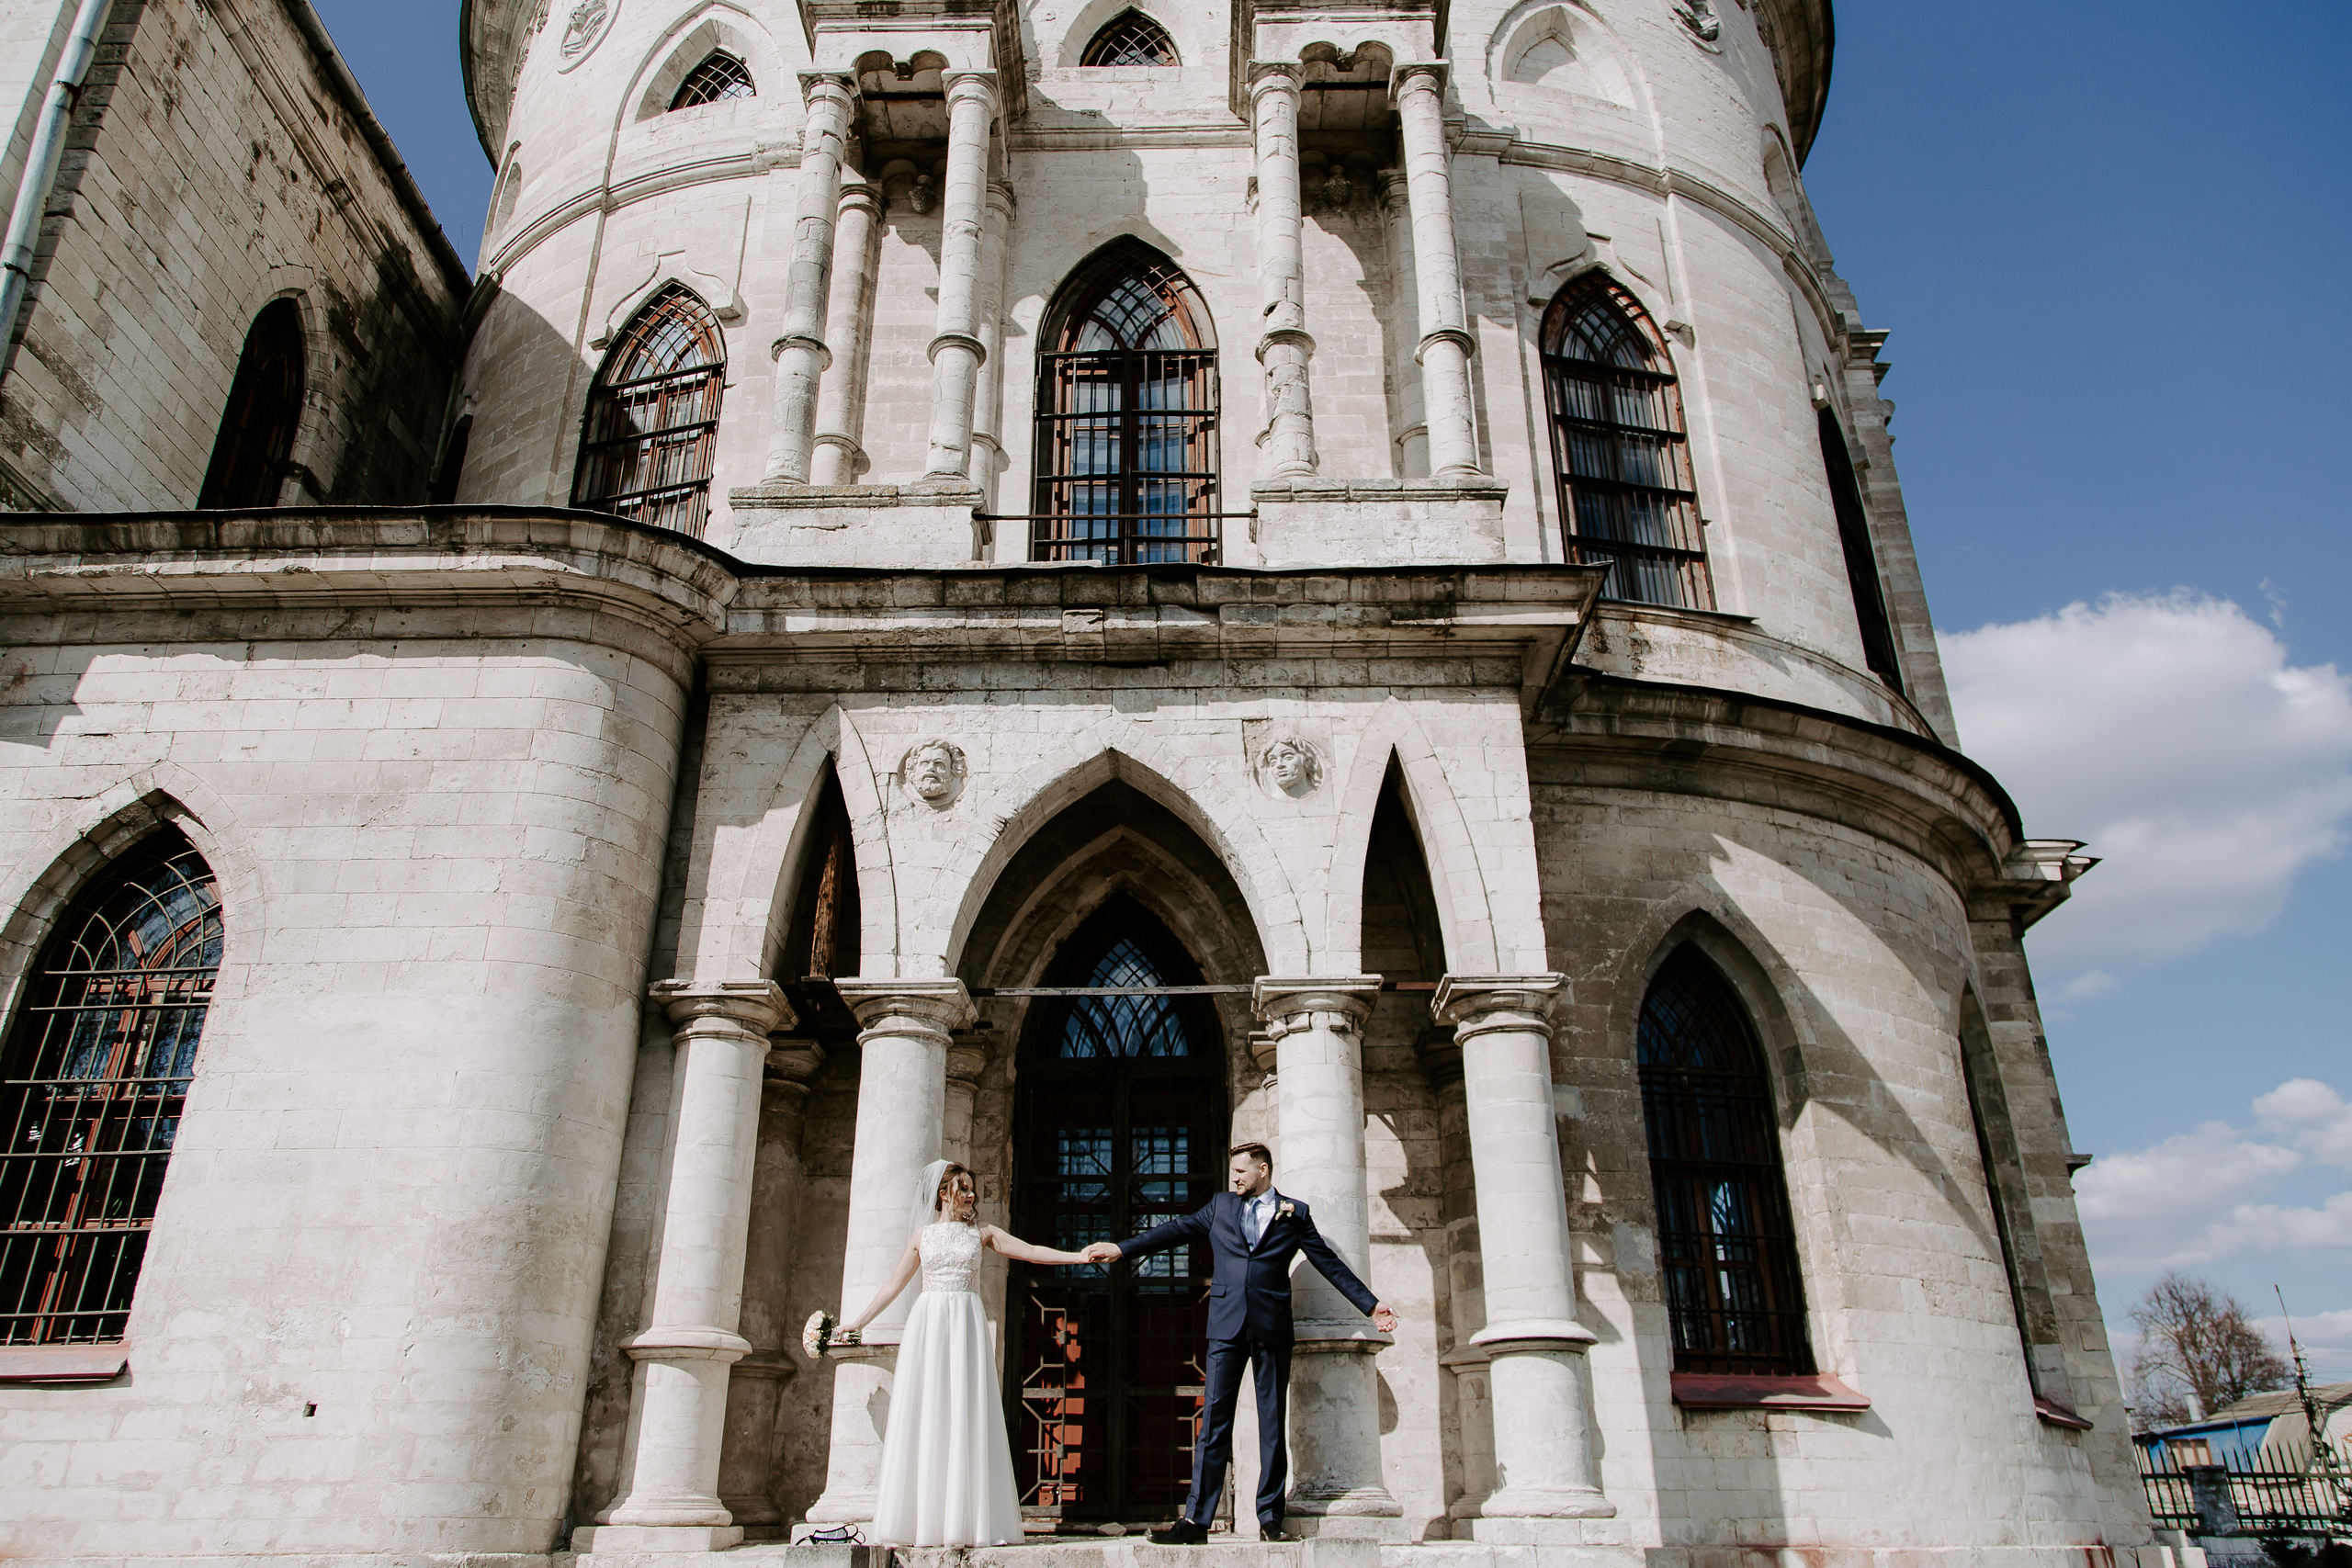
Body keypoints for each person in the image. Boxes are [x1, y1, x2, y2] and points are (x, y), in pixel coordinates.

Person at [1083, 1142, 1399, 1544]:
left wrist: (1371, 1306)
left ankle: (1270, 1520)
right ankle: (1196, 1522)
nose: (1233, 1179)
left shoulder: (1294, 1213)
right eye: (1232, 1172)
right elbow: (1174, 1230)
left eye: (1240, 1172)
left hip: (1271, 1330)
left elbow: (1327, 1261)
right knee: (1214, 1424)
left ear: (1262, 1170)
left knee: (1272, 1426)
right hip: (1225, 1328)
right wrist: (1121, 1248)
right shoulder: (1219, 1206)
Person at [841, 1158, 1096, 1546]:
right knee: (928, 1413)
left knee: (964, 1412)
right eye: (963, 1187)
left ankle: (966, 1520)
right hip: (928, 1325)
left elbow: (1028, 1251)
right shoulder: (922, 1236)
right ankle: (923, 1521)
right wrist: (856, 1323)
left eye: (971, 1187)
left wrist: (1076, 1257)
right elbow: (893, 1286)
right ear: (944, 1194)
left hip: (965, 1324)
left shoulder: (982, 1233)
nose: (971, 1194)